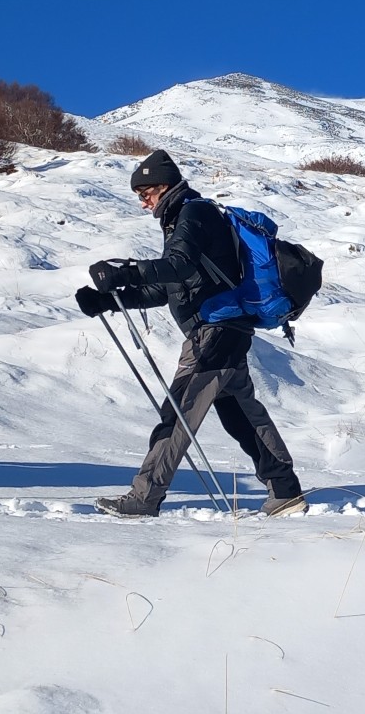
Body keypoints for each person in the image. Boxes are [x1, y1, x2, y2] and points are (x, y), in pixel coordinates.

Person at [79, 150, 308, 518]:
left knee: (178, 413)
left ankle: (144, 497)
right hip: (226, 329)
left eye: (146, 194)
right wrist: (109, 300)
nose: (143, 203)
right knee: (241, 416)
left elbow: (179, 265)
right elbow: (170, 287)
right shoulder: (184, 218)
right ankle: (285, 491)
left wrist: (126, 272)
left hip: (214, 333)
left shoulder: (193, 213)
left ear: (165, 186)